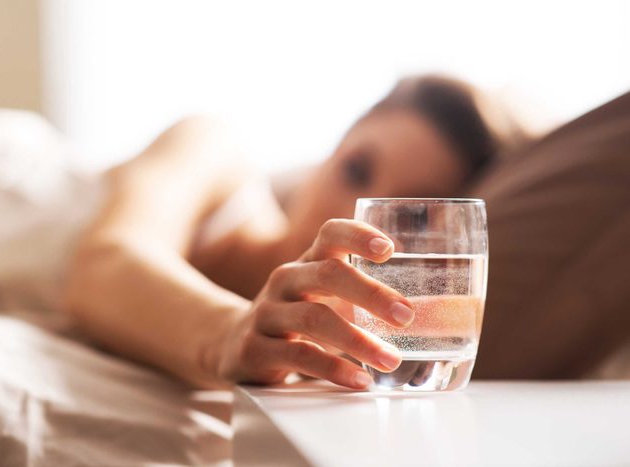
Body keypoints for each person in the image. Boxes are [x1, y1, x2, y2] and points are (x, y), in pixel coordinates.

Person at [60, 74, 526, 389]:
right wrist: (227, 334)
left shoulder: (325, 365)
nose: (356, 219)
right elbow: (105, 264)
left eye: (412, 217)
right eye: (357, 170)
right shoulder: (214, 152)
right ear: (331, 151)